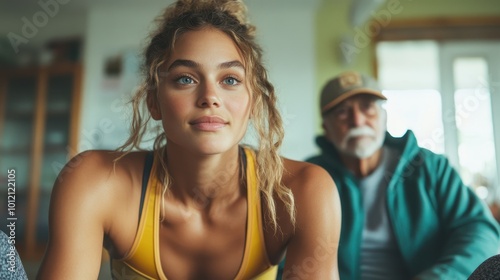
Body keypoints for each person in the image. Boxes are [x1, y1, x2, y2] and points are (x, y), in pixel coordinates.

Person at [36, 0, 341, 279]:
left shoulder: (303, 191)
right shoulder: (95, 181)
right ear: (154, 102)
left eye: (230, 80)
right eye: (186, 79)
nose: (210, 97)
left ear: (255, 103)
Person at [306, 71, 500, 279]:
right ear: (326, 128)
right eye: (342, 112)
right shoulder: (308, 180)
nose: (358, 120)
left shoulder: (430, 167)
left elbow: (480, 230)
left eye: (367, 107)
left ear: (384, 117)